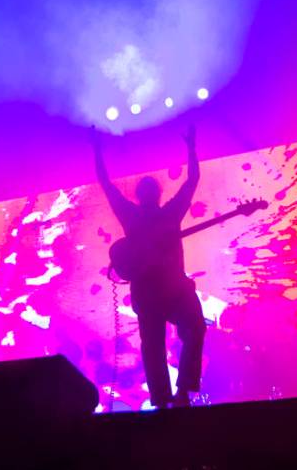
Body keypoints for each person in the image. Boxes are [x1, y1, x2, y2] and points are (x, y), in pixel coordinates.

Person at [91, 124, 205, 408]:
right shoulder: (150, 214)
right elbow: (191, 181)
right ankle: (170, 399)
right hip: (160, 291)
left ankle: (173, 397)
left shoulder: (153, 213)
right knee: (158, 345)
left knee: (181, 335)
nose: (147, 189)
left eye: (148, 186)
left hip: (170, 289)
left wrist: (191, 149)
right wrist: (96, 151)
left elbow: (192, 181)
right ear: (148, 194)